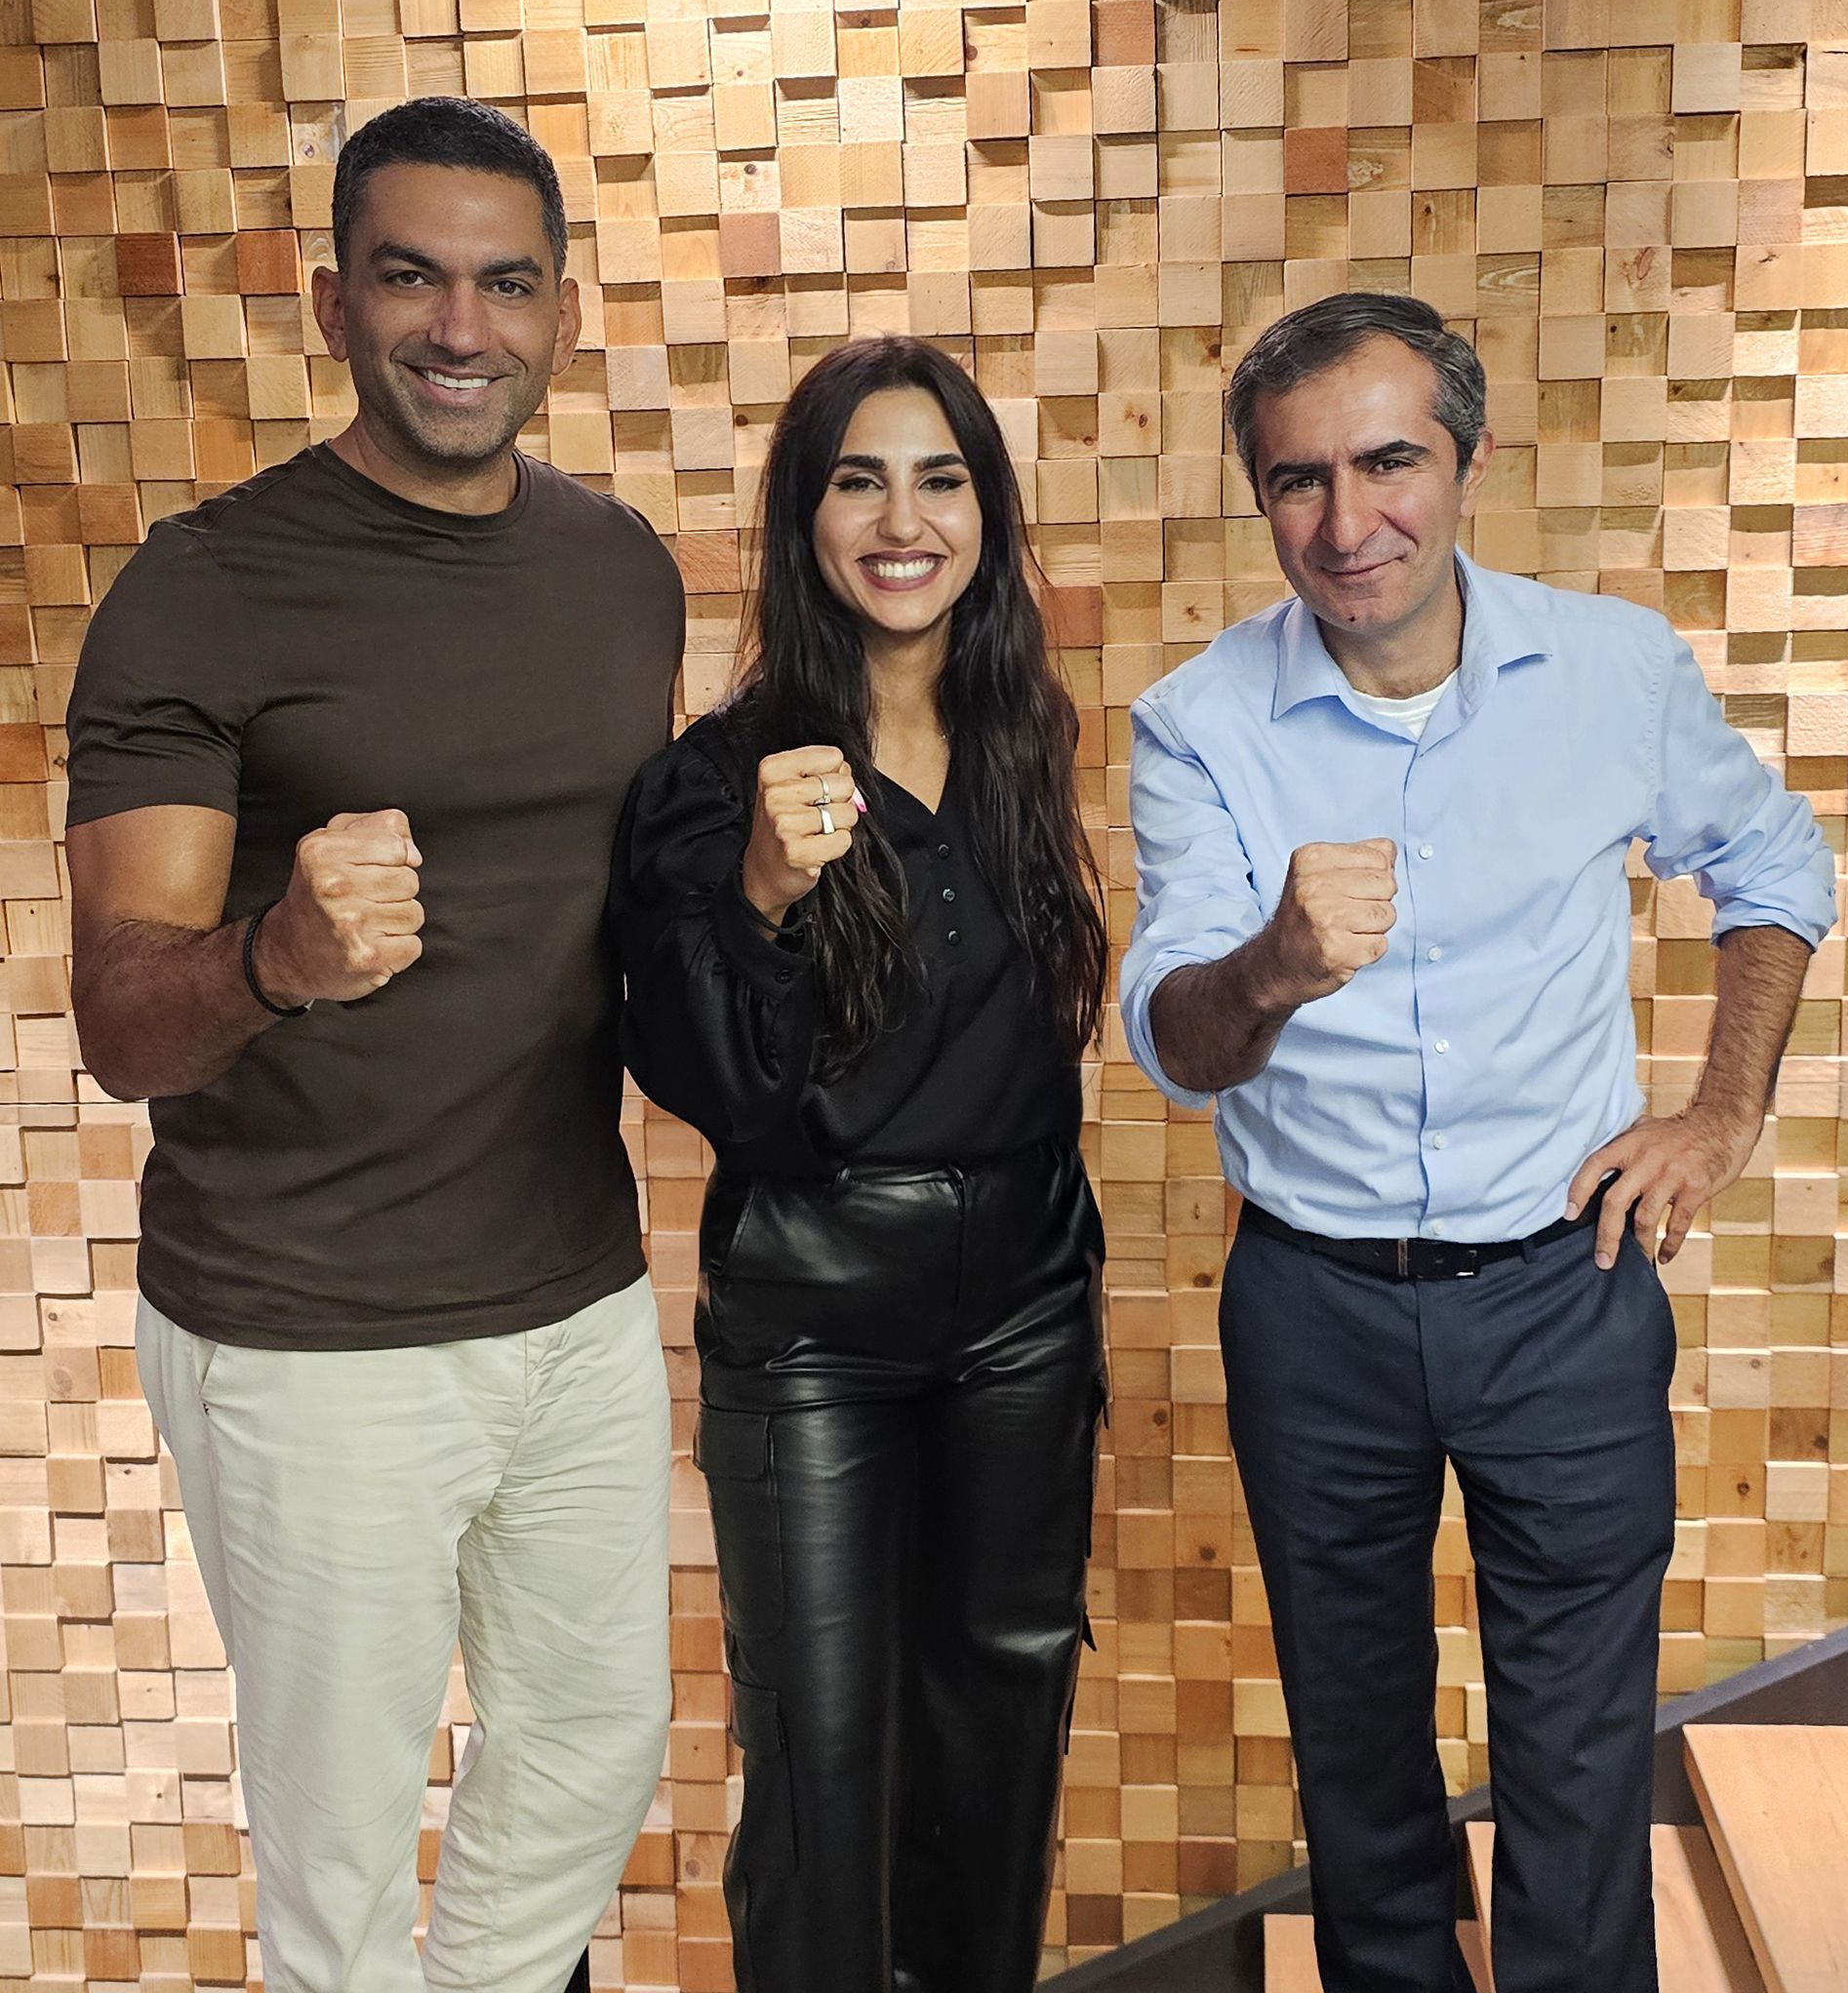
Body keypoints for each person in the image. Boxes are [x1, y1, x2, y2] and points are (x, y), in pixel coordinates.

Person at [1120, 292, 1834, 1993]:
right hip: (1316, 1312)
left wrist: (1718, 1115)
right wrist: (1274, 968)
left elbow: (1776, 872)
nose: (1347, 523)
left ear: (1470, 461)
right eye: (1299, 482)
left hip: (1565, 1296)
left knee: (1579, 1761)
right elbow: (1171, 1039)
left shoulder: (1611, 670)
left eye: (1389, 465)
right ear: (1262, 500)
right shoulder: (1199, 721)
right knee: (1358, 1758)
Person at [64, 97, 682, 1993]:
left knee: (592, 1749)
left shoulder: (619, 571)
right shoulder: (207, 586)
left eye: (505, 284)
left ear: (563, 312)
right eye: (411, 277)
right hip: (303, 1328)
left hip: (570, 1295)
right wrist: (275, 958)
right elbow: (118, 1023)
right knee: (334, 1868)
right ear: (333, 300)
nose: (459, 328)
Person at [614, 336, 1108, 1993]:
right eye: (858, 479)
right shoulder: (721, 772)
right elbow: (707, 1082)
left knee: (1001, 1726)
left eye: (941, 477)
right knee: (823, 1766)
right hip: (814, 1310)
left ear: (986, 512)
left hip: (1029, 1299)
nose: (903, 518)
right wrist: (759, 891)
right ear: (804, 520)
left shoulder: (1024, 734)